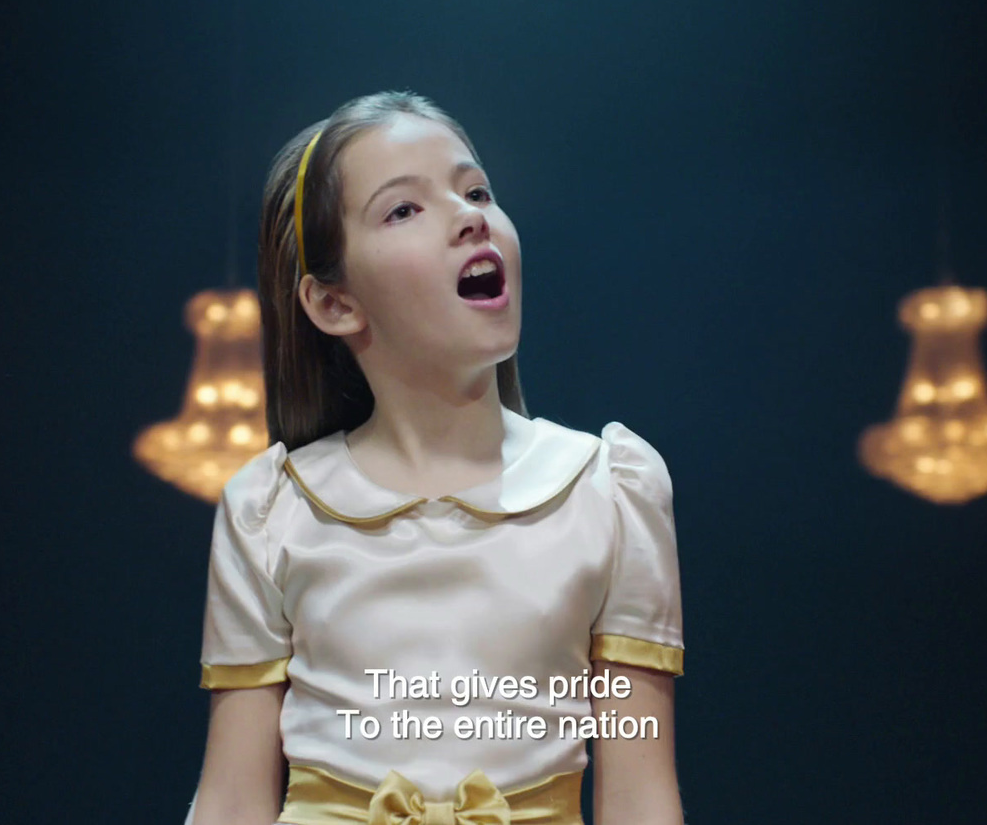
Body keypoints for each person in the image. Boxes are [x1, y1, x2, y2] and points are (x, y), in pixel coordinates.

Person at [184, 91, 685, 825]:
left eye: (475, 189)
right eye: (404, 209)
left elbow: (640, 796)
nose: (469, 215)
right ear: (333, 304)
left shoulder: (609, 490)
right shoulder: (272, 507)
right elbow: (231, 797)